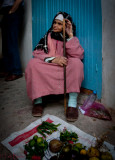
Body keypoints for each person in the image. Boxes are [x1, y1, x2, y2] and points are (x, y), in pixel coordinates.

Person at [25, 11, 84, 122]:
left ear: (66, 26)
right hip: (49, 65)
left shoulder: (70, 38)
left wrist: (70, 36)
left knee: (77, 63)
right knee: (32, 64)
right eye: (54, 23)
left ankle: (72, 104)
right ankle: (38, 102)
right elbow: (37, 53)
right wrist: (53, 59)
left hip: (63, 67)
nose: (55, 25)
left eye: (59, 23)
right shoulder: (47, 36)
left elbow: (78, 55)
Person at [0, 0, 24, 81]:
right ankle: (8, 70)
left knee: (12, 42)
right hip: (6, 12)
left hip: (13, 11)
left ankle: (16, 71)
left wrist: (12, 11)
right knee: (6, 43)